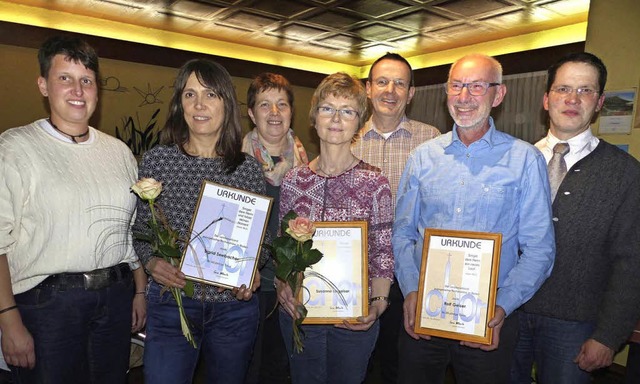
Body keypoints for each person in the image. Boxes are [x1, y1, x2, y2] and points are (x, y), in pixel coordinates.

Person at [393, 53, 555, 384]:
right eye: (457, 86)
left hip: (489, 319)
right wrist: (410, 290)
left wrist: (501, 307)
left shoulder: (525, 159)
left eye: (477, 86)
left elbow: (540, 249)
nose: (464, 97)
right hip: (424, 313)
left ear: (498, 95)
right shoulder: (422, 157)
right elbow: (403, 234)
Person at [0, 35, 146, 384]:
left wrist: (139, 291)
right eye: (65, 78)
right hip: (48, 307)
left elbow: (130, 232)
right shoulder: (15, 148)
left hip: (115, 298)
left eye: (87, 81)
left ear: (97, 90)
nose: (77, 90)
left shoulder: (119, 152)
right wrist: (8, 321)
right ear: (43, 85)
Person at [133, 58, 267, 384]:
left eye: (210, 94)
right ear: (180, 104)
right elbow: (139, 231)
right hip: (171, 303)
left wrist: (251, 273)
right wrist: (152, 263)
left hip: (232, 311)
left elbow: (259, 245)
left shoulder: (247, 169)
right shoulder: (157, 160)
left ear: (226, 103)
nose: (199, 105)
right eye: (189, 95)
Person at [510, 52, 640, 384]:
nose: (572, 99)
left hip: (576, 325)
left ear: (599, 102)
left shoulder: (625, 173)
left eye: (585, 90)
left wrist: (609, 335)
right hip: (507, 311)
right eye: (563, 88)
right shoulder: (513, 160)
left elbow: (632, 261)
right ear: (545, 99)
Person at [276, 72, 394, 384]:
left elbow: (383, 251)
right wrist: (282, 287)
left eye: (348, 111)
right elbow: (282, 247)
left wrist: (379, 305)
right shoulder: (293, 180)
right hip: (299, 312)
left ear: (360, 122)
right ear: (314, 118)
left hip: (353, 316)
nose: (336, 119)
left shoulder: (375, 183)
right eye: (328, 108)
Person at [351, 52, 440, 383]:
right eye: (382, 82)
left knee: (400, 365)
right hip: (359, 272)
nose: (390, 90)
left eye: (400, 83)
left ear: (411, 92)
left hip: (409, 274)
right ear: (368, 88)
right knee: (357, 363)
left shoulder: (432, 140)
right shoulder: (348, 137)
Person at [242, 72, 308, 384]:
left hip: (292, 286)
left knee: (281, 369)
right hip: (247, 287)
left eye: (282, 104)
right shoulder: (234, 164)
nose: (274, 113)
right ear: (251, 113)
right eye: (265, 105)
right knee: (246, 368)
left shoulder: (309, 167)